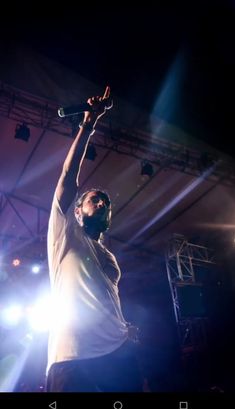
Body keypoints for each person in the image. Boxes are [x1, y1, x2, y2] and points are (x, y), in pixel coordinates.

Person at [46, 86, 143, 392]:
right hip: (74, 356)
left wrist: (123, 328)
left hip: (118, 353)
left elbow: (107, 297)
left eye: (105, 202)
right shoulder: (66, 234)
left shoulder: (109, 257)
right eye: (94, 200)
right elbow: (67, 177)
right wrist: (89, 125)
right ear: (76, 211)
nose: (102, 203)